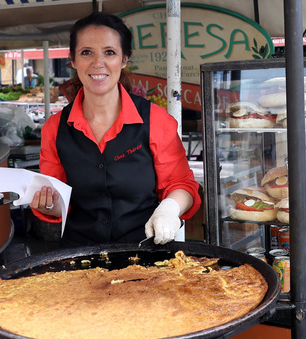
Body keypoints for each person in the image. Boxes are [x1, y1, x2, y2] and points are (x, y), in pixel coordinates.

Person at [30, 13, 201, 246]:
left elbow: (182, 185)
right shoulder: (55, 127)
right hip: (79, 258)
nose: (97, 63)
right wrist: (48, 205)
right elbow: (60, 202)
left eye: (109, 52)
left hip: (146, 254)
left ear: (124, 59)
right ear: (72, 60)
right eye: (86, 52)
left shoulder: (156, 120)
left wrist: (170, 208)